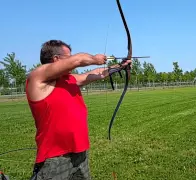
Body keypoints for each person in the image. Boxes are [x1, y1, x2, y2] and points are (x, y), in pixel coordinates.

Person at [25, 40, 131, 179]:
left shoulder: (69, 79)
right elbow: (78, 60)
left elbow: (96, 74)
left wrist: (119, 66)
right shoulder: (37, 78)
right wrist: (95, 59)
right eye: (68, 57)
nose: (71, 59)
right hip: (55, 159)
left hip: (80, 155)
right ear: (56, 59)